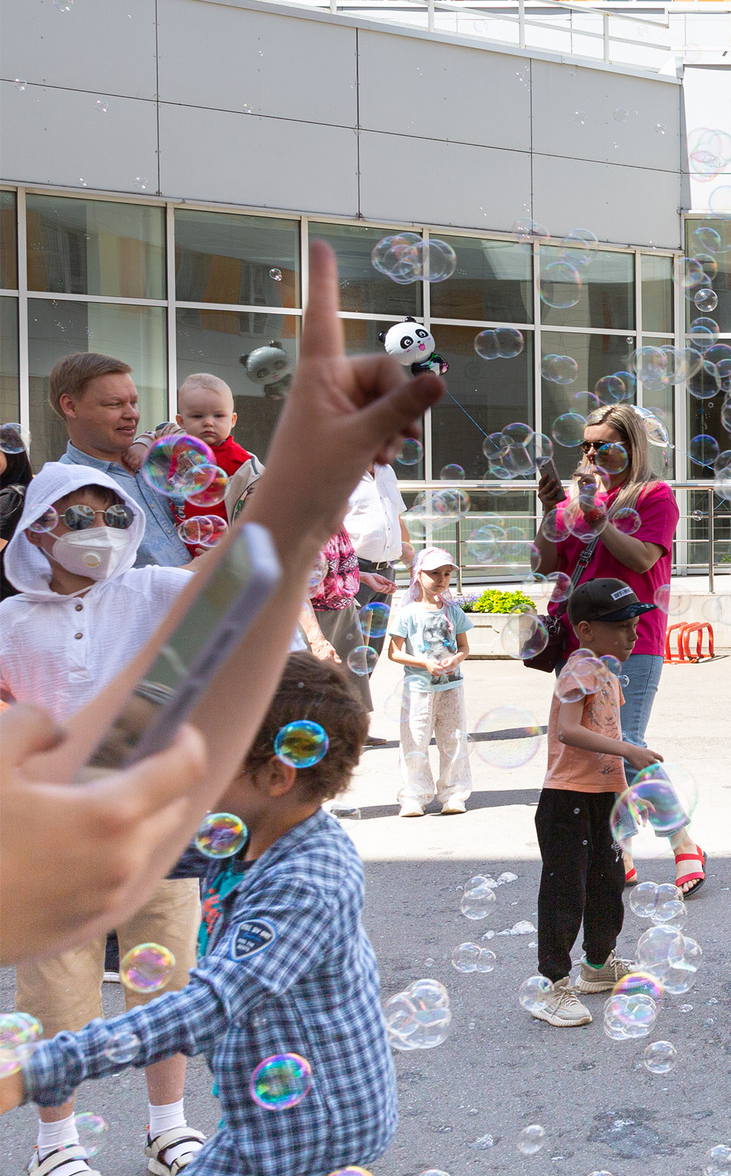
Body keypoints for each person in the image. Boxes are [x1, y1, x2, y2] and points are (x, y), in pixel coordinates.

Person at [0, 239, 440, 969]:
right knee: (72, 970)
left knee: (163, 943)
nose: (103, 527)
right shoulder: (23, 608)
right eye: (114, 404)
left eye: (134, 402)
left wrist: (288, 504)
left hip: (151, 715)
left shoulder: (148, 501)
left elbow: (221, 586)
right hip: (89, 778)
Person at [0, 652, 426, 1176]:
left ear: (277, 774)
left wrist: (42, 1066)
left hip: (303, 1125)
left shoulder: (305, 879)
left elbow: (204, 1008)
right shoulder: (251, 831)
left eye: (207, 760)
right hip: (309, 1109)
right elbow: (146, 854)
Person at [0, 465, 218, 1176]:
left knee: (168, 976)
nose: (101, 530)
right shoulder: (10, 620)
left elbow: (235, 585)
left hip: (158, 816)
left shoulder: (152, 591)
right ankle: (56, 1143)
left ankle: (169, 1126)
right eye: (77, 516)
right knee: (56, 989)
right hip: (56, 830)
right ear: (37, 531)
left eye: (114, 515)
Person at [535, 403, 692, 892]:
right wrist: (550, 511)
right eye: (585, 445)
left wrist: (600, 520)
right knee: (590, 750)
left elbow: (643, 559)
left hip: (630, 641)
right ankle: (617, 850)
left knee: (626, 745)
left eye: (601, 444)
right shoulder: (575, 501)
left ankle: (683, 843)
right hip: (577, 640)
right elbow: (545, 564)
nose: (590, 453)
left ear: (631, 446)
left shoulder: (654, 495)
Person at [525, 580, 654, 1029]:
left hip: (603, 796)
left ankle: (597, 964)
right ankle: (552, 985)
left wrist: (626, 791)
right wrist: (630, 751)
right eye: (621, 626)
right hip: (567, 799)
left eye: (634, 625)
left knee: (607, 883)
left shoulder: (606, 672)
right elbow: (568, 730)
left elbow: (608, 735)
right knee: (566, 892)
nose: (632, 634)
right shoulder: (578, 669)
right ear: (585, 630)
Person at [49, 353, 190, 568]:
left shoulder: (160, 457)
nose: (132, 414)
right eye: (115, 404)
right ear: (70, 406)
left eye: (134, 402)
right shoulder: (65, 489)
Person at [386, 545, 470, 817]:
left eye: (446, 574)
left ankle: (454, 794)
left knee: (454, 740)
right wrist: (424, 663)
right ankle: (414, 796)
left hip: (451, 687)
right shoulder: (408, 612)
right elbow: (394, 652)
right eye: (434, 573)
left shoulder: (453, 611)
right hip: (418, 690)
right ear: (418, 575)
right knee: (415, 741)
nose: (441, 579)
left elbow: (464, 647)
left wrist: (456, 659)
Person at [171, 373, 257, 555]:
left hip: (215, 548)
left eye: (219, 415)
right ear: (181, 421)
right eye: (197, 416)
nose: (209, 422)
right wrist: (140, 446)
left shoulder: (239, 460)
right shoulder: (177, 448)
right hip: (179, 544)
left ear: (232, 420)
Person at [341, 457, 411, 667]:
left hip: (387, 570)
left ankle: (364, 689)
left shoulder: (387, 471)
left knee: (374, 647)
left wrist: (413, 563)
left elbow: (396, 519)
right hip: (354, 570)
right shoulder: (341, 471)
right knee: (349, 645)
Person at [305, 497, 362, 666]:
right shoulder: (303, 524)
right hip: (314, 617)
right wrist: (317, 640)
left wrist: (362, 576)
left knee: (348, 680)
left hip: (344, 612)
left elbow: (323, 568)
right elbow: (292, 584)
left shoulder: (333, 521)